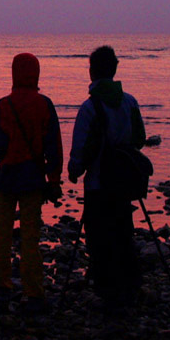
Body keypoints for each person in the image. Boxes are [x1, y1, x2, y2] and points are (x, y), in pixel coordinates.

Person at [68, 45, 147, 310]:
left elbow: (82, 148)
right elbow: (140, 139)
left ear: (92, 72)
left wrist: (73, 170)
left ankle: (107, 290)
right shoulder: (130, 102)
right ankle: (129, 284)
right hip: (124, 183)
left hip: (98, 183)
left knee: (99, 236)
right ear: (114, 70)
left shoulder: (90, 108)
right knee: (124, 230)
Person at [0, 52, 63, 314]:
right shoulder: (45, 104)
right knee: (30, 236)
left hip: (7, 178)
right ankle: (34, 294)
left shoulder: (3, 105)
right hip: (32, 178)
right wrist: (54, 179)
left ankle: (1, 288)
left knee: (2, 233)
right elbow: (54, 146)